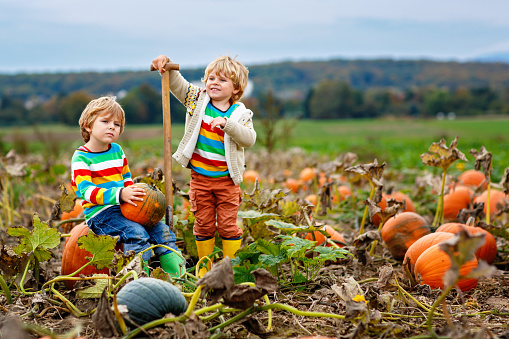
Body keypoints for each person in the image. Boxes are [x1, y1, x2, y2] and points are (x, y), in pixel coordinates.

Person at [151, 55, 256, 277]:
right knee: (204, 224)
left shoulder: (240, 114)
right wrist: (167, 67)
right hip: (200, 179)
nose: (214, 83)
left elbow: (249, 139)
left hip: (227, 180)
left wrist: (228, 125)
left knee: (228, 226)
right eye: (210, 78)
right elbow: (178, 85)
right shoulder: (197, 100)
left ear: (236, 89)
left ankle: (231, 269)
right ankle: (204, 267)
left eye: (222, 80)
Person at [70, 96, 183, 277]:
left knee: (162, 231)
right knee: (136, 232)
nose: (111, 127)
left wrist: (136, 198)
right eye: (105, 121)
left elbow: (127, 180)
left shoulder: (117, 151)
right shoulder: (81, 158)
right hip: (101, 214)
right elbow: (86, 191)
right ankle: (139, 277)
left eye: (117, 124)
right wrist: (120, 194)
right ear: (88, 126)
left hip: (125, 208)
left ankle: (178, 276)